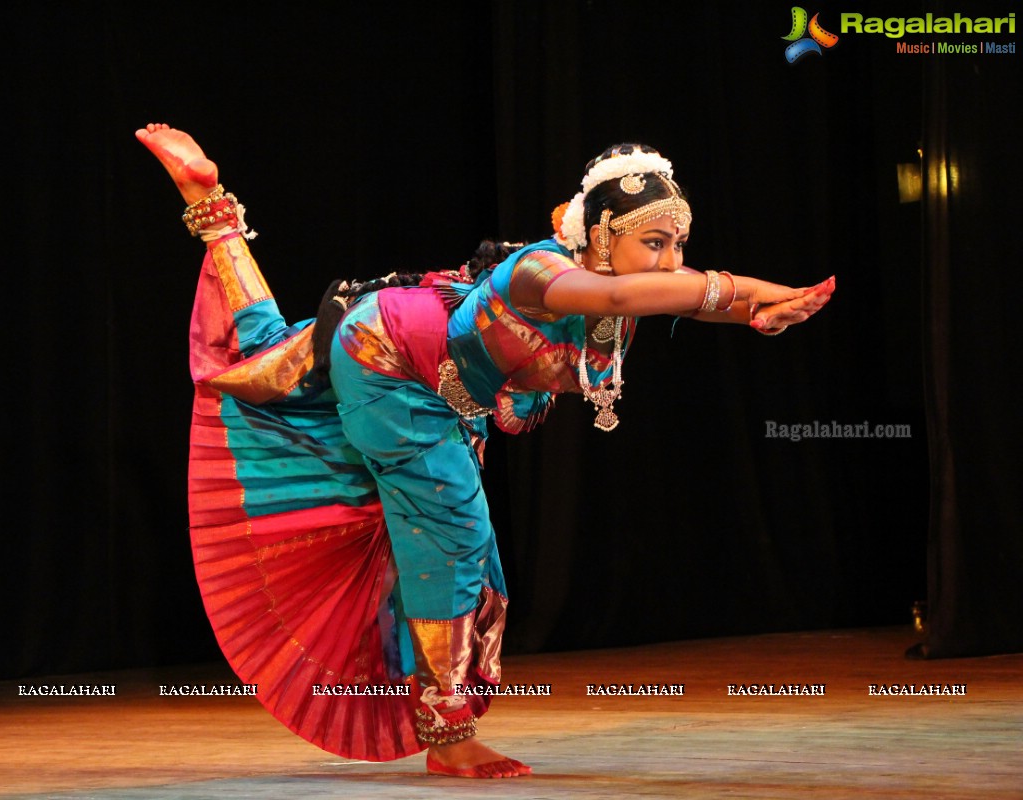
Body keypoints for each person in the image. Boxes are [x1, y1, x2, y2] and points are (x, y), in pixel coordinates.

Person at [136, 123, 834, 779]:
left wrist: (760, 316)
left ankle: (211, 205)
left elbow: (682, 299)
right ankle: (448, 738)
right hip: (388, 361)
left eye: (678, 245)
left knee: (281, 367)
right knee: (453, 534)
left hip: (445, 391)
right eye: (655, 242)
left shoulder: (622, 298)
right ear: (598, 235)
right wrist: (757, 290)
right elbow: (653, 290)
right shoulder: (542, 275)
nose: (671, 261)